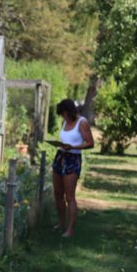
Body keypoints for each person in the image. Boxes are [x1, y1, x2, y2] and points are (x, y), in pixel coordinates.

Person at [51, 99, 94, 238]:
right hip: (60, 157)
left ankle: (70, 229)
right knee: (58, 193)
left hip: (73, 159)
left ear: (69, 111)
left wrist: (73, 147)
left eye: (64, 114)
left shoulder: (82, 122)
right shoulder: (64, 122)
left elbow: (90, 143)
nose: (63, 117)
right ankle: (61, 223)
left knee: (69, 196)